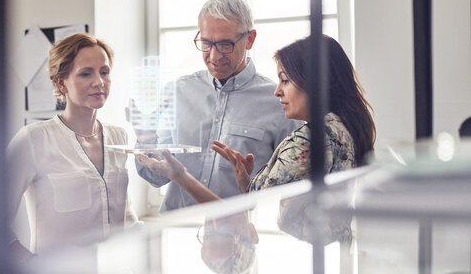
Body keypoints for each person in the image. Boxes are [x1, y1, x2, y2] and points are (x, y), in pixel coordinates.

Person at [135, 34, 376, 205]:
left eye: (286, 80)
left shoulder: (305, 142)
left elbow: (253, 212)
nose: (278, 91)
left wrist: (181, 176)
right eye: (206, 42)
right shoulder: (345, 127)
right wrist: (247, 182)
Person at [131, 0, 299, 211]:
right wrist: (146, 141)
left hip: (238, 235)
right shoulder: (176, 92)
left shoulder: (279, 101)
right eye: (206, 43)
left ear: (250, 39)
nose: (214, 55)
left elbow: (292, 191)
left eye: (225, 44)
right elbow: (156, 179)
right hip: (176, 232)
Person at [2, 33, 140, 261]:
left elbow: (124, 214)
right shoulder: (33, 140)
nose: (99, 82)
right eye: (86, 73)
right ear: (61, 82)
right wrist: (29, 263)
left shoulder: (118, 135)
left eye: (104, 72)